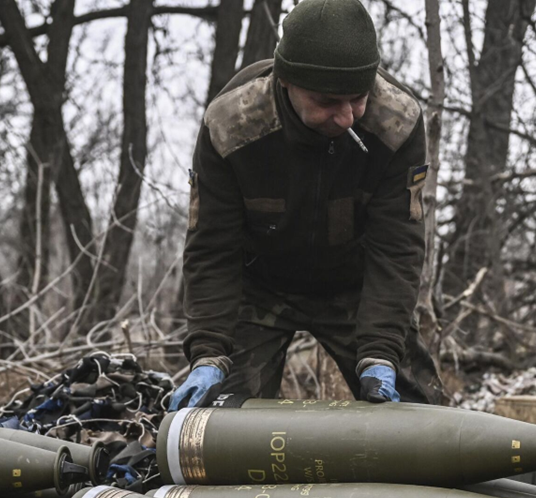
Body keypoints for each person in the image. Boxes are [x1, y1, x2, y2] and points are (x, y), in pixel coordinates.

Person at [169, 0, 442, 410]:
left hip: (356, 286)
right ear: (287, 83)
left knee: (422, 419)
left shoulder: (396, 121)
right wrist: (208, 352)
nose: (348, 117)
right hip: (257, 288)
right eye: (328, 101)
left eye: (358, 97)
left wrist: (381, 350)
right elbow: (212, 249)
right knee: (220, 426)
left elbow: (397, 247)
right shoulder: (231, 125)